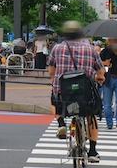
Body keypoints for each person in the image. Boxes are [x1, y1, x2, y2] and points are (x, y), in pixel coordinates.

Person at [47, 21, 105, 163]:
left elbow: (51, 71)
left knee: (54, 98)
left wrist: (55, 80)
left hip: (63, 93)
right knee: (91, 115)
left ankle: (61, 123)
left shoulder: (57, 48)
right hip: (85, 93)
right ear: (80, 35)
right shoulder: (91, 49)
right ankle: (92, 150)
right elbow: (101, 71)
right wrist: (100, 78)